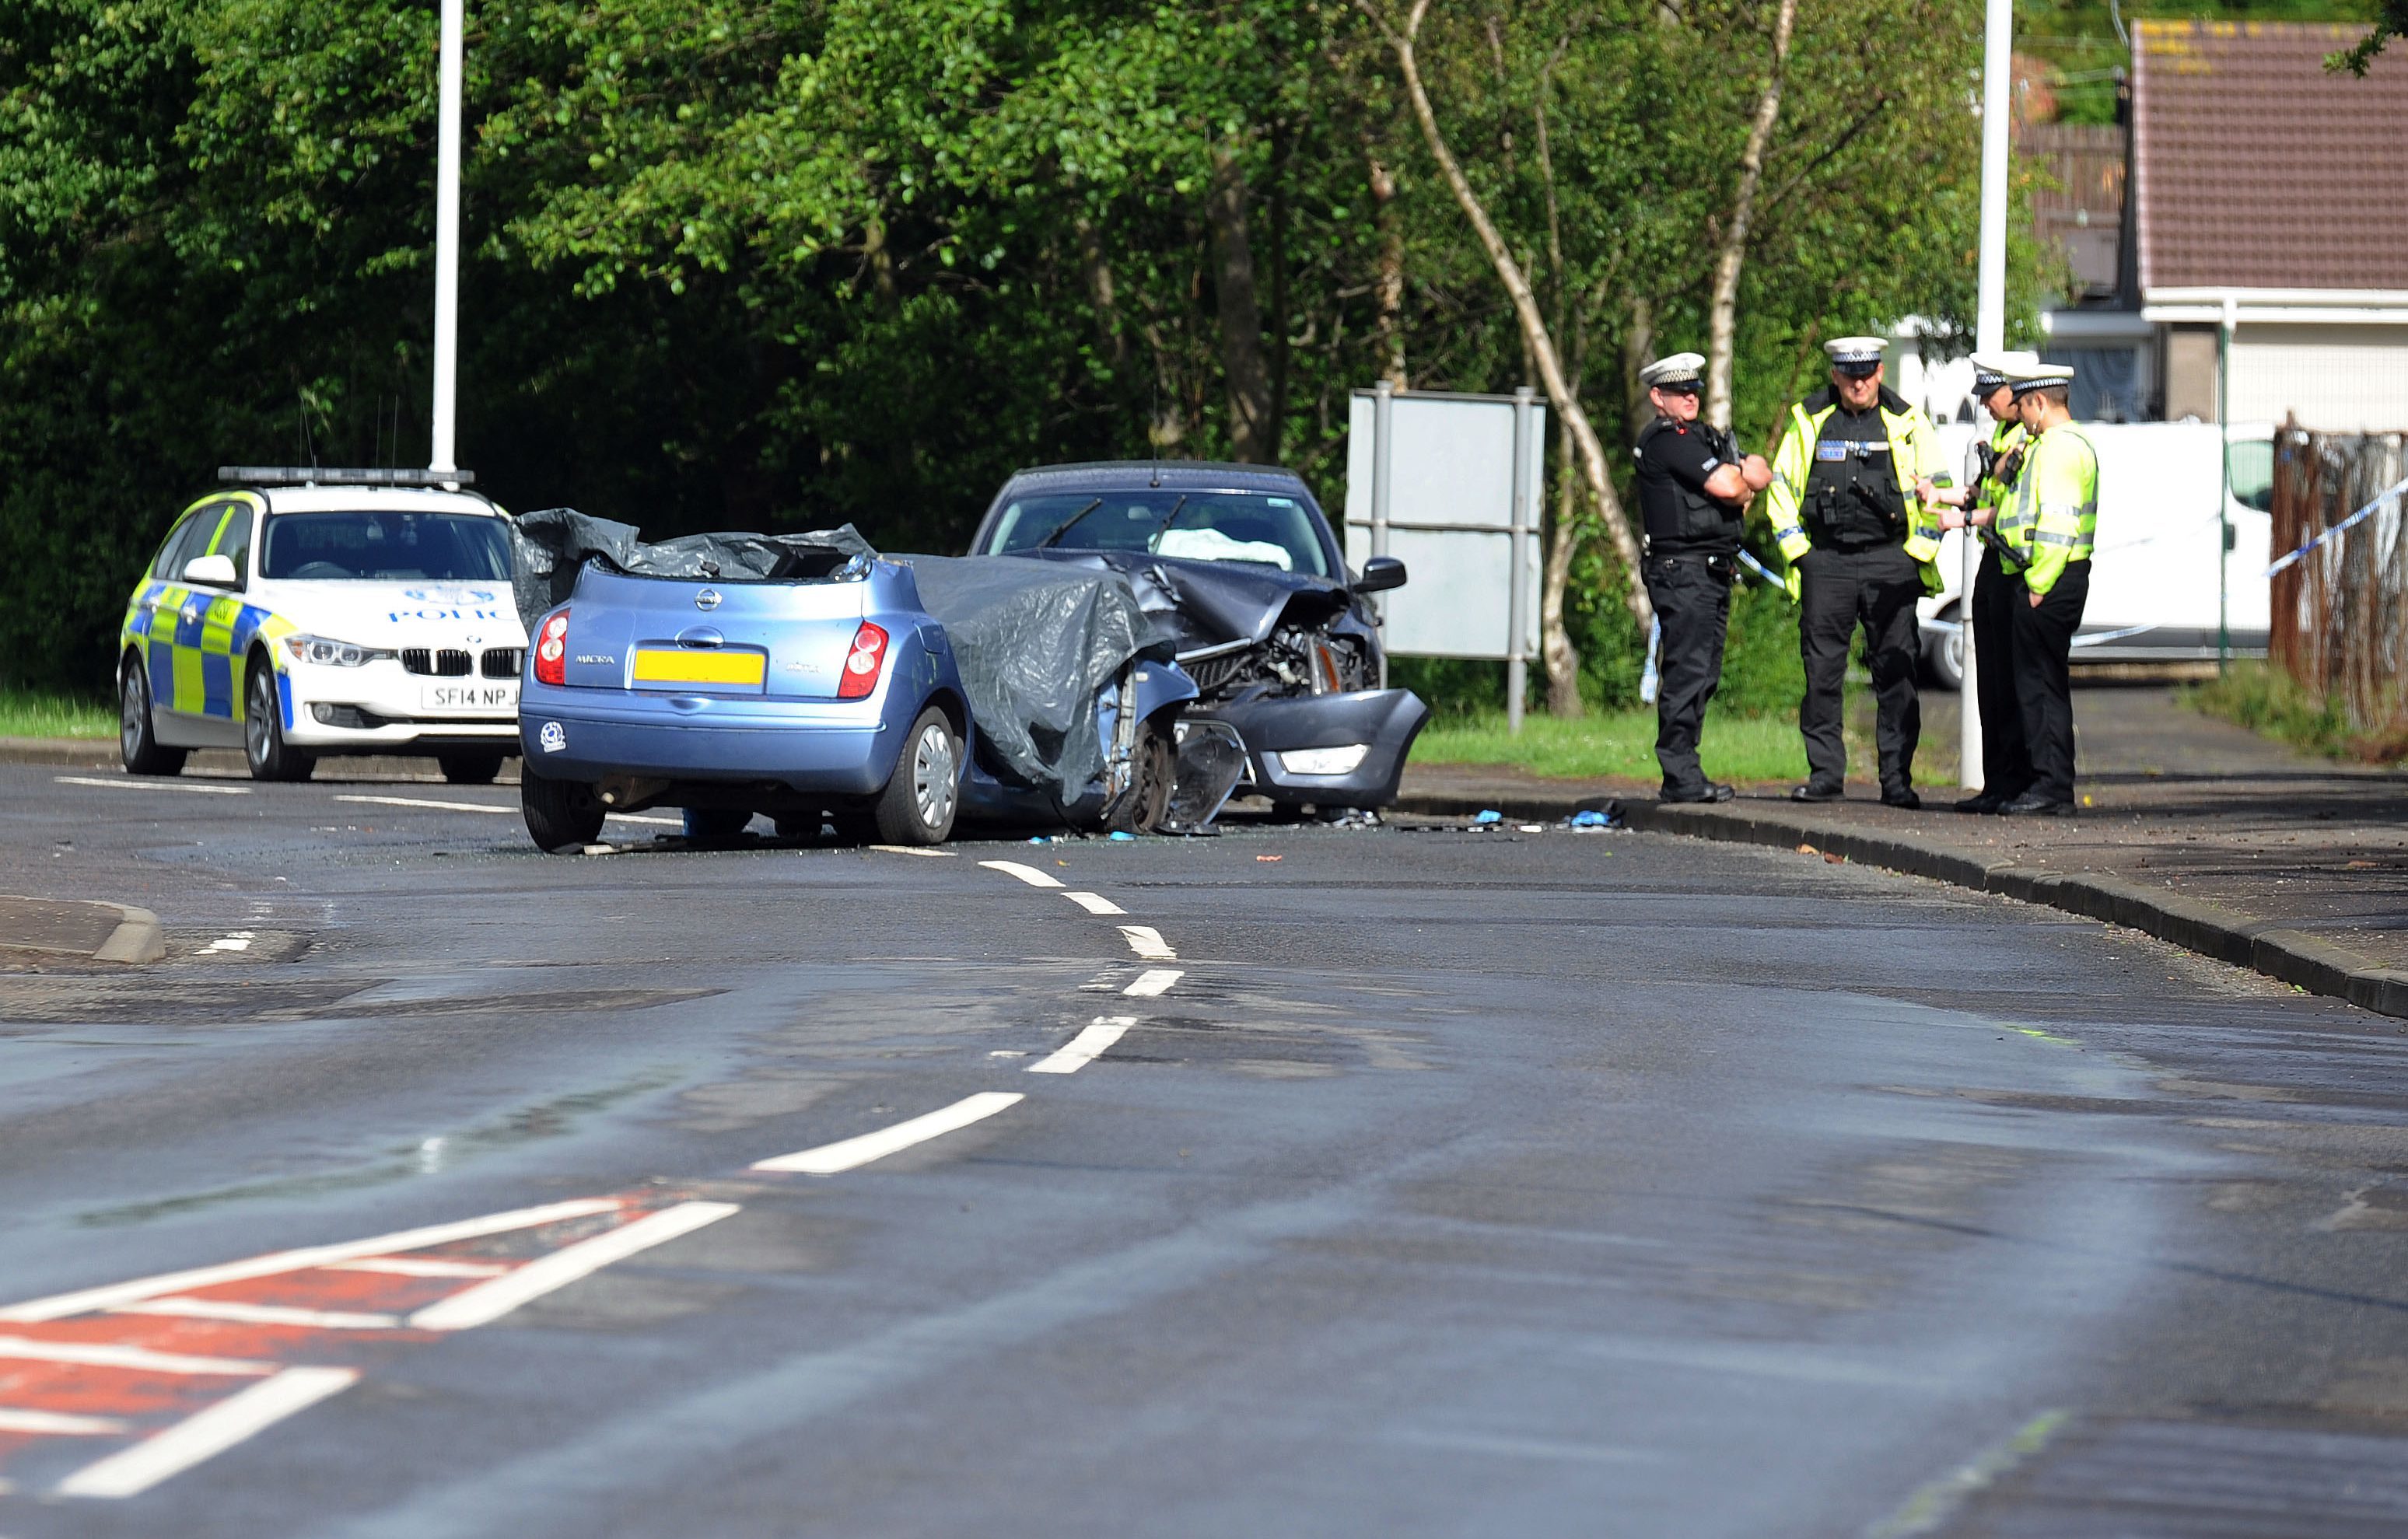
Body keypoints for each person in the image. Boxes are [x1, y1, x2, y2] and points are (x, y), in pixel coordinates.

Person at [1762, 336, 1946, 807]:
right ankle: (1825, 775)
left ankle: (1897, 781)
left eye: (1867, 373)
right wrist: (1801, 554)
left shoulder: (1908, 420)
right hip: (1827, 562)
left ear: (1880, 373)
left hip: (1891, 560)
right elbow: (1781, 490)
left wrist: (1917, 554)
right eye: (1850, 374)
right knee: (1821, 673)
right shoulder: (1810, 418)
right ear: (1835, 376)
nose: (1859, 382)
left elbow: (1938, 491)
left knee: (1897, 671)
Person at [1632, 352, 1773, 803]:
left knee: (1704, 673)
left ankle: (1685, 770)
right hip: (1683, 571)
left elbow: (1760, 473)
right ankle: (1680, 775)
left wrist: (1741, 482)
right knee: (1688, 672)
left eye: (1694, 390)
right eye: (1679, 392)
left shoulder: (1703, 438)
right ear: (1659, 397)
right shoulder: (1669, 441)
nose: (1689, 398)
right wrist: (1740, 484)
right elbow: (1734, 487)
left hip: (1710, 570)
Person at [1920, 350, 2038, 813]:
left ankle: (2015, 784)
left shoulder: (2028, 442)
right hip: (1995, 560)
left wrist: (1959, 517)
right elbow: (1986, 491)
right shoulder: (2007, 435)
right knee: (1988, 682)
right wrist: (1941, 496)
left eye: (1993, 394)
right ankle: (1997, 785)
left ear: (2018, 393)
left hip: (2014, 564)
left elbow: (2008, 508)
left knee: (2011, 684)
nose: (1986, 404)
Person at [1996, 360, 2095, 815]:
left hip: (2048, 577)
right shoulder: (2058, 445)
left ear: (2039, 402)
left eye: (2024, 405)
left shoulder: (2058, 448)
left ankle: (2052, 787)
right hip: (2051, 576)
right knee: (2039, 683)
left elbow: (2057, 523)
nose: (2021, 415)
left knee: (2040, 685)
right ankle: (2047, 784)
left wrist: (2037, 584)